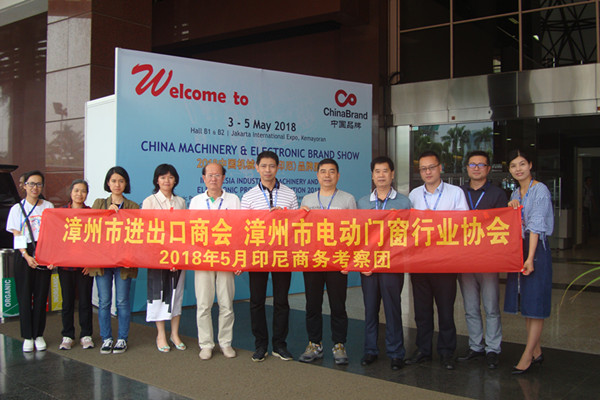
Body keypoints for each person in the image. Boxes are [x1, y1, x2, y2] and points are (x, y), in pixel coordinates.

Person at [406, 150, 468, 370]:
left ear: (440, 167)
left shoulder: (455, 193)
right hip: (420, 262)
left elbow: (463, 223)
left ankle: (447, 352)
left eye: (431, 167)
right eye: (423, 169)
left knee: (445, 309)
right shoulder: (414, 195)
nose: (428, 172)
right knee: (422, 310)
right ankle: (423, 350)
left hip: (445, 261)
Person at [241, 150, 298, 362]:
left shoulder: (290, 194)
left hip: (282, 255)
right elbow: (243, 229)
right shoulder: (248, 196)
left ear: (277, 167)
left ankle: (280, 345)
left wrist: (283, 217)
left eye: (272, 166)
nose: (267, 170)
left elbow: (297, 226)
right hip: (258, 255)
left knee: (282, 301)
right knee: (256, 301)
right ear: (257, 168)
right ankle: (260, 345)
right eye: (263, 166)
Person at [298, 158, 356, 365]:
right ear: (317, 175)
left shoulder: (348, 199)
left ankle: (339, 344)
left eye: (332, 171)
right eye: (323, 171)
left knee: (337, 305)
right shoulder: (307, 199)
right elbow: (301, 231)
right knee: (312, 304)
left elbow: (354, 231)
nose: (327, 175)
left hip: (337, 261)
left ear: (338, 175)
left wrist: (349, 260)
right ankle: (315, 343)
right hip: (313, 260)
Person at [357, 156, 411, 370]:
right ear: (372, 175)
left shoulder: (404, 202)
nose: (381, 175)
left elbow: (408, 235)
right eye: (377, 171)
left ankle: (396, 353)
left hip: (392, 264)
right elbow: (357, 236)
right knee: (370, 309)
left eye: (385, 171)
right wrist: (362, 262)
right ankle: (370, 350)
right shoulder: (362, 203)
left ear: (392, 174)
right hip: (368, 266)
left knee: (392, 309)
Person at [505, 149, 553, 375]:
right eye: (513, 165)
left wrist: (530, 258)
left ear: (530, 165)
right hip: (520, 249)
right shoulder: (515, 192)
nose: (518, 169)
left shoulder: (539, 189)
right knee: (527, 303)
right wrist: (511, 206)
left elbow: (535, 226)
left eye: (522, 164)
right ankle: (536, 350)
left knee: (536, 304)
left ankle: (527, 356)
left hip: (536, 250)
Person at [457, 151, 507, 369]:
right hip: (465, 259)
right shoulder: (459, 192)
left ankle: (493, 348)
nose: (476, 168)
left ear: (488, 169)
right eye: (472, 164)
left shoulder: (498, 194)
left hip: (488, 260)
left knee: (491, 306)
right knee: (470, 306)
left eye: (480, 164)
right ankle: (476, 345)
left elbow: (504, 225)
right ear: (467, 168)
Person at [190, 163, 241, 360]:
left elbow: (239, 231)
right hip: (203, 258)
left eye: (217, 175)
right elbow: (190, 231)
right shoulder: (196, 201)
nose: (213, 179)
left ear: (223, 178)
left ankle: (225, 343)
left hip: (226, 258)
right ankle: (206, 344)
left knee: (226, 303)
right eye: (210, 175)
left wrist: (238, 259)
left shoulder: (233, 200)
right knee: (203, 304)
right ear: (203, 178)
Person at [88, 166, 139, 354]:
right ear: (108, 183)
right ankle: (107, 338)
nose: (117, 184)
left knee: (122, 301)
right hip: (103, 260)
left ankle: (122, 338)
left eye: (121, 181)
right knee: (104, 301)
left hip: (124, 261)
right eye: (114, 181)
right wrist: (105, 215)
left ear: (126, 184)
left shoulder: (133, 206)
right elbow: (90, 228)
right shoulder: (99, 203)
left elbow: (137, 233)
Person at [6, 170, 54, 352]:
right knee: (25, 296)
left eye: (39, 184)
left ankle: (38, 334)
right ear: (24, 186)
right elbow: (17, 235)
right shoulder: (16, 209)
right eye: (31, 184)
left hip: (43, 252)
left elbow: (53, 234)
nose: (35, 187)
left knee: (41, 296)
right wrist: (26, 256)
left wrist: (50, 257)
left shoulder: (48, 206)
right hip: (23, 253)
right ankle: (27, 336)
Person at [142, 164, 187, 353]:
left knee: (176, 294)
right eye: (162, 177)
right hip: (157, 256)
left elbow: (185, 231)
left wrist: (178, 255)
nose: (166, 181)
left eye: (170, 177)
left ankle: (174, 334)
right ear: (157, 180)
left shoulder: (181, 202)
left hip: (178, 256)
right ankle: (160, 334)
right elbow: (146, 231)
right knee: (158, 295)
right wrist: (163, 254)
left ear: (175, 180)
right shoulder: (149, 201)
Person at [57, 179, 95, 351]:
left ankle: (86, 335)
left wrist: (91, 262)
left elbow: (96, 240)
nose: (80, 194)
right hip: (65, 266)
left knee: (85, 301)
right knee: (67, 301)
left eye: (83, 191)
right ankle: (68, 335)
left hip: (85, 266)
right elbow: (55, 238)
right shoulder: (60, 213)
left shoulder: (91, 213)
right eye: (76, 190)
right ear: (70, 192)